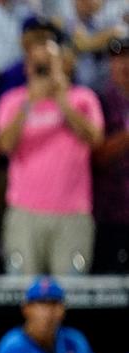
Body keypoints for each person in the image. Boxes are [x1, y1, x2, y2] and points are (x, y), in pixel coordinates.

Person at [0, 31, 104, 275]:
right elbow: (3, 145)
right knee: (21, 293)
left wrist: (62, 99)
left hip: (73, 213)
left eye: (49, 62)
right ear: (27, 66)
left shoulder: (83, 98)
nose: (43, 68)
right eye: (38, 63)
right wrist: (30, 102)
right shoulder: (13, 101)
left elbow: (95, 139)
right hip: (24, 212)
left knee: (71, 296)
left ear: (64, 64)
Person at [91, 36, 129, 274]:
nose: (124, 64)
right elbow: (97, 157)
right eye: (118, 58)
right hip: (111, 214)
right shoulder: (99, 100)